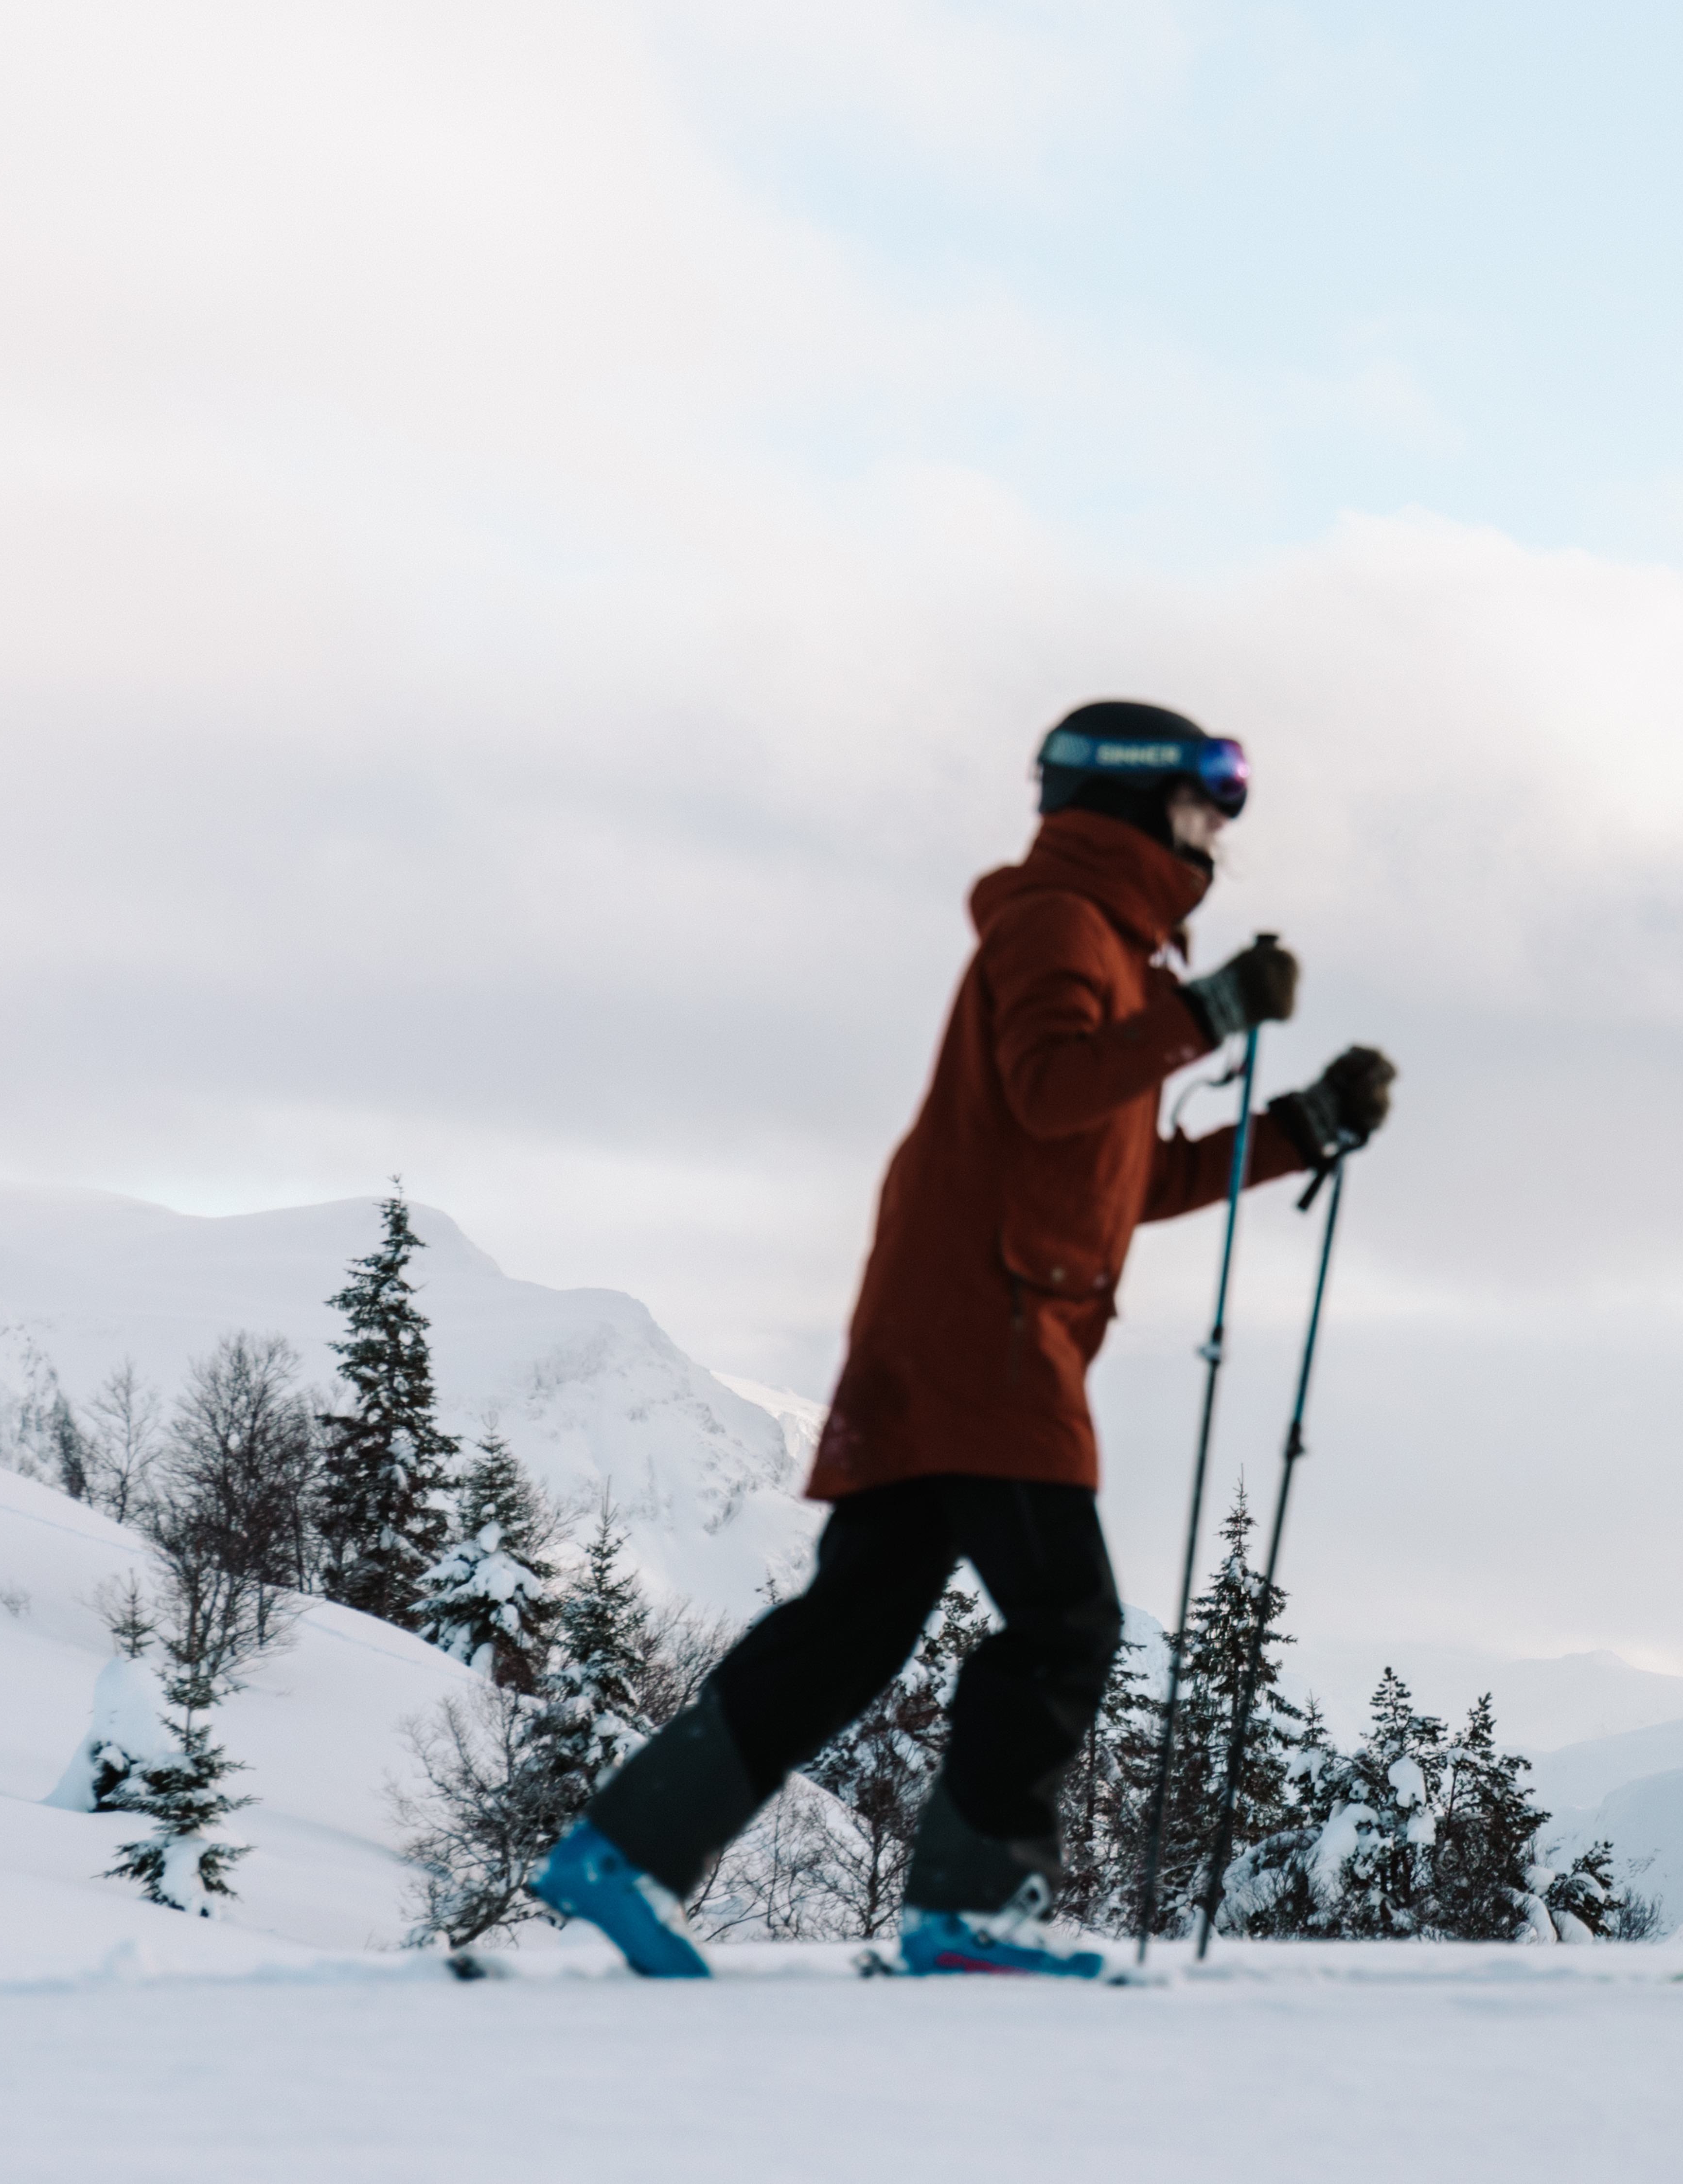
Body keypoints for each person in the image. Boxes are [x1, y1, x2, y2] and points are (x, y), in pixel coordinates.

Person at [526, 700, 1397, 1979]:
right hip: (986, 1335)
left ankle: (619, 1850)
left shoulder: (1113, 956)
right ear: (1134, 798)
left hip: (955, 1327)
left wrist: (1301, 1128)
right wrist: (1207, 1011)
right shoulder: (1060, 927)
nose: (1222, 826)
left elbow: (1124, 1178)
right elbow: (1053, 1088)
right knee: (1066, 1619)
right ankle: (971, 1911)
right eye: (1207, 796)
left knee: (852, 1632)